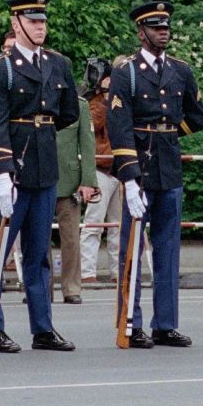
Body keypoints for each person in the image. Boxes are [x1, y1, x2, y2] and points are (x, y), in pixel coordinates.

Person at [0, 0, 80, 353]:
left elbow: (67, 113)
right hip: (11, 166)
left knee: (38, 254)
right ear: (16, 23)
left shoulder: (58, 63)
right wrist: (3, 171)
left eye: (43, 21)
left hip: (44, 165)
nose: (40, 27)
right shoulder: (0, 67)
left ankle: (43, 327)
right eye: (33, 21)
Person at [108, 1, 203, 347]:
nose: (163, 32)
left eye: (166, 26)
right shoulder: (127, 71)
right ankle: (130, 322)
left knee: (168, 249)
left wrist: (165, 133)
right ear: (141, 32)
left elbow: (197, 117)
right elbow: (118, 127)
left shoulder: (180, 70)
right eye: (155, 27)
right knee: (132, 248)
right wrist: (129, 177)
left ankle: (165, 323)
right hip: (139, 165)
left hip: (169, 163)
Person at [54, 90, 97, 305]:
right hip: (37, 175)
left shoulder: (79, 105)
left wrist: (88, 180)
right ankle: (40, 287)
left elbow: (88, 144)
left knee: (71, 238)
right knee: (36, 238)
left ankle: (71, 287)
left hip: (69, 179)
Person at [77, 57, 117, 283]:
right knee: (93, 224)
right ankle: (87, 272)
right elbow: (91, 125)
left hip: (119, 167)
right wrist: (104, 99)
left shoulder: (121, 98)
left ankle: (119, 272)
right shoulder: (91, 101)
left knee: (118, 227)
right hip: (100, 167)